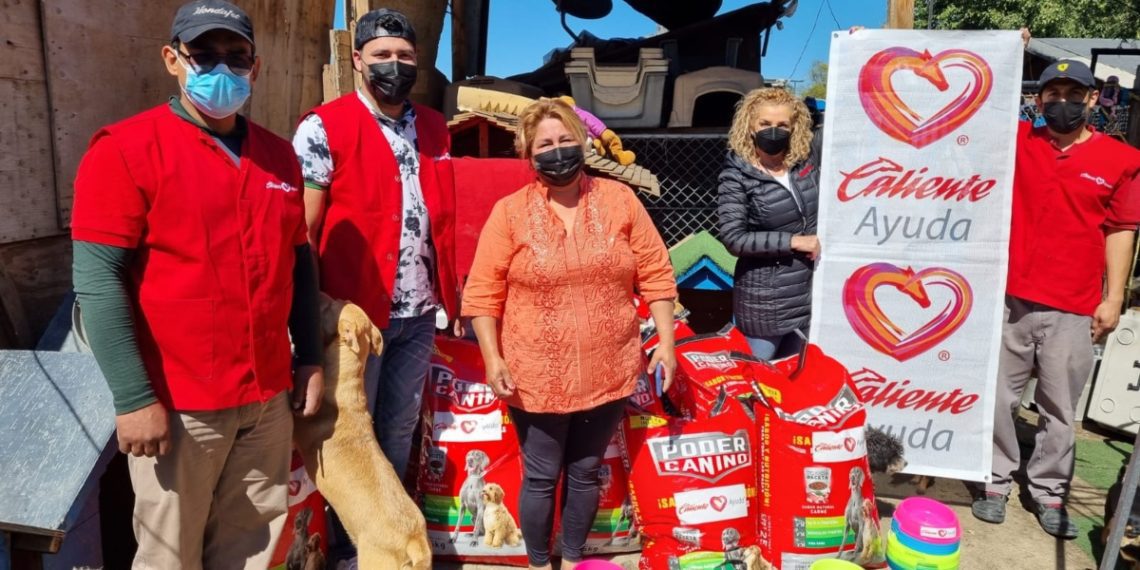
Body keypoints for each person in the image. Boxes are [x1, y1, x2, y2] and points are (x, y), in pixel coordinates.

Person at [70, 1, 323, 567]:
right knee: (170, 555)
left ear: (255, 68)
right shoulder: (125, 150)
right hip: (179, 406)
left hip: (265, 401)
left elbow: (299, 266)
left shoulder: (279, 158)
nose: (222, 69)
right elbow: (97, 280)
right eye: (204, 55)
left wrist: (308, 357)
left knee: (253, 547)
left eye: (236, 58)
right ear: (172, 59)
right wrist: (134, 398)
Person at [462, 98, 678, 570]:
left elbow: (657, 274)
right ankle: (541, 564)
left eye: (565, 141)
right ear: (528, 153)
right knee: (540, 476)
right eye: (545, 145)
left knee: (585, 472)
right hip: (535, 374)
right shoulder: (510, 213)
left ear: (583, 144)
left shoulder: (620, 200)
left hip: (610, 367)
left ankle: (576, 560)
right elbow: (482, 294)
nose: (557, 152)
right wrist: (493, 359)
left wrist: (666, 341)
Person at [291, 7, 459, 564]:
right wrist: (310, 310)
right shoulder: (323, 126)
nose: (395, 65)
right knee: (346, 437)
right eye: (382, 55)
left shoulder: (433, 127)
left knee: (396, 428)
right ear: (358, 60)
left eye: (405, 57)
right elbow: (304, 231)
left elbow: (447, 214)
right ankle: (344, 545)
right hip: (356, 318)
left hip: (417, 311)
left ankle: (383, 545)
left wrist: (452, 292)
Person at [973, 59, 1140, 539]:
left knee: (1059, 407)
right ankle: (994, 481)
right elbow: (975, 106)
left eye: (1073, 94)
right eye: (1052, 93)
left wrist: (1113, 298)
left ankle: (1047, 490)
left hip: (1073, 305)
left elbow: (1121, 231)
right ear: (1039, 99)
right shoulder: (1018, 142)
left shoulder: (1121, 160)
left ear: (1092, 99)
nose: (1061, 103)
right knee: (1000, 398)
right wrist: (1008, 51)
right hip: (1009, 299)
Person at [717, 87, 821, 360]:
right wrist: (793, 242)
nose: (773, 131)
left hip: (808, 299)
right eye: (765, 124)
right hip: (764, 306)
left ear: (793, 127)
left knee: (799, 384)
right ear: (750, 125)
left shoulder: (805, 163)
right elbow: (733, 238)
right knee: (759, 384)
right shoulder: (736, 175)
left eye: (782, 125)